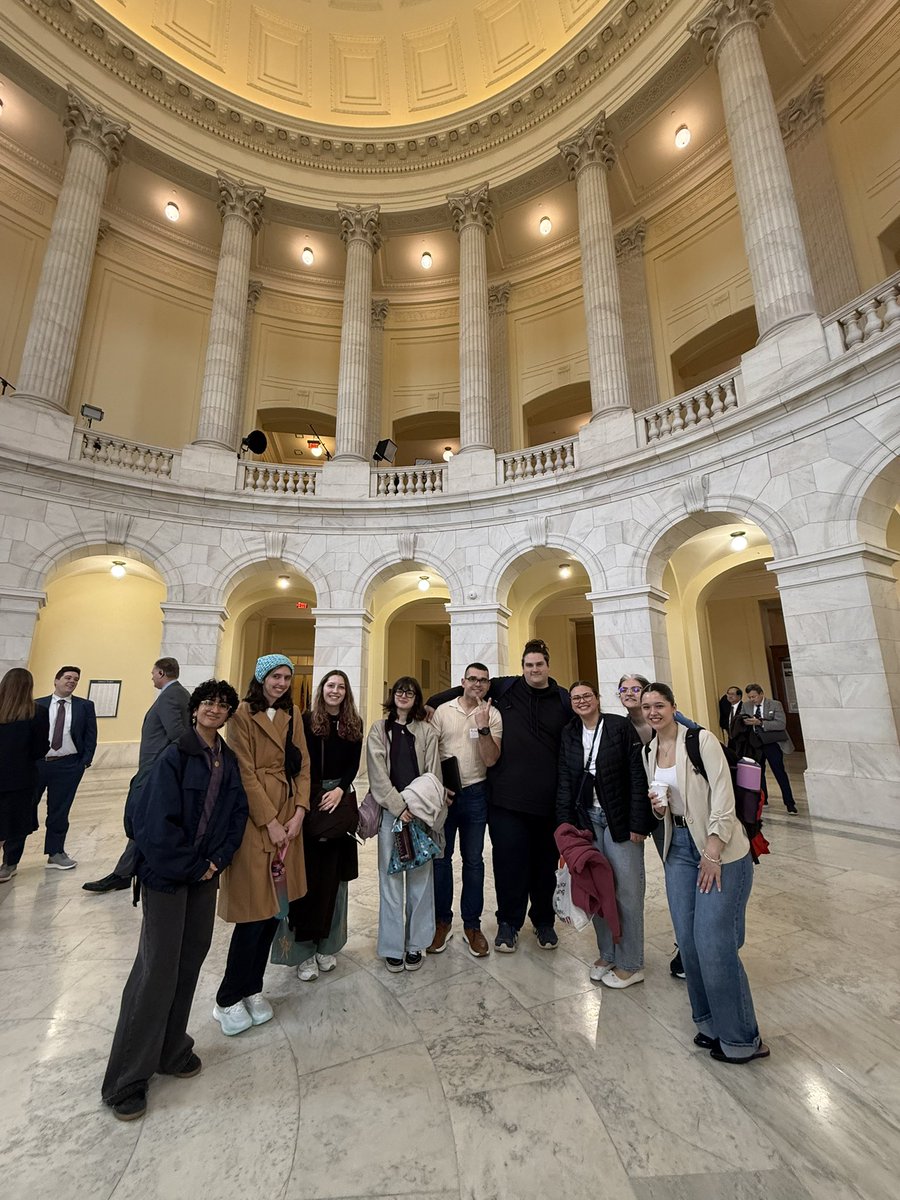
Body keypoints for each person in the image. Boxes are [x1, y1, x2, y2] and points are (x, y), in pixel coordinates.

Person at [101, 681, 248, 1121]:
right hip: (169, 877)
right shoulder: (174, 755)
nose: (214, 710)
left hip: (204, 875)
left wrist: (216, 860)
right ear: (195, 709)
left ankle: (171, 1048)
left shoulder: (227, 758)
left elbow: (236, 813)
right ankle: (127, 1077)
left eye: (222, 706)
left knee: (189, 960)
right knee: (156, 969)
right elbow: (152, 822)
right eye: (208, 703)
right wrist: (192, 865)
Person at [641, 682, 769, 1064]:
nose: (652, 712)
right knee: (689, 941)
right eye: (647, 706)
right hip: (676, 849)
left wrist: (713, 849)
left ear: (673, 706)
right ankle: (709, 1022)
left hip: (719, 849)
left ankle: (742, 1039)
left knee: (714, 944)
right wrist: (660, 810)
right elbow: (665, 805)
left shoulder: (700, 740)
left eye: (659, 705)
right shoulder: (649, 750)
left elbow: (724, 797)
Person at [430, 638, 571, 953]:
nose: (534, 669)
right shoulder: (508, 688)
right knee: (508, 864)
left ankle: (544, 922)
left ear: (548, 666)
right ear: (522, 668)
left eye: (539, 664)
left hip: (546, 800)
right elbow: (470, 688)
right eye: (529, 665)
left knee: (544, 864)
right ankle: (508, 923)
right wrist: (431, 702)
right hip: (506, 799)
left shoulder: (562, 699)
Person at [213, 654, 310, 1035]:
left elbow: (303, 766)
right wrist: (269, 821)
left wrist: (300, 811)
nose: (282, 682)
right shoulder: (240, 715)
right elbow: (244, 772)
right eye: (275, 676)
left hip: (289, 817)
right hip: (258, 822)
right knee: (253, 912)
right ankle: (227, 998)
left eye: (287, 676)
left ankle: (253, 988)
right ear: (261, 678)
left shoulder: (294, 714)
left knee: (275, 910)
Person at [557, 681, 654, 987]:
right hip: (587, 819)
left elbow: (637, 776)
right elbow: (564, 781)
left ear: (597, 699)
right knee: (597, 888)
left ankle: (631, 962)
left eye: (587, 696)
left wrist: (640, 822)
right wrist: (564, 828)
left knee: (626, 890)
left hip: (619, 819)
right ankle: (608, 952)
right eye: (576, 698)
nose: (582, 701)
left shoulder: (618, 727)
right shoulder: (570, 733)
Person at [83, 657, 191, 893]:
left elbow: (177, 734)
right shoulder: (178, 694)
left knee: (141, 819)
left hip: (156, 770)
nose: (151, 676)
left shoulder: (171, 695)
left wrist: (162, 767)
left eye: (153, 672)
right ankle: (126, 870)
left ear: (162, 673)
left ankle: (125, 872)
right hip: (157, 769)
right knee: (144, 820)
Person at [366, 676, 442, 972]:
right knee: (391, 881)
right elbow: (377, 774)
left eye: (410, 692)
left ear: (417, 698)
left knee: (421, 884)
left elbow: (433, 775)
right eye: (400, 691)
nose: (404, 695)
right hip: (391, 815)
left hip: (420, 816)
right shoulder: (379, 729)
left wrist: (420, 808)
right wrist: (399, 807)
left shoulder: (426, 731)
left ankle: (415, 945)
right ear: (392, 695)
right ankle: (392, 947)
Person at [291, 670, 363, 981]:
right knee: (308, 878)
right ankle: (303, 951)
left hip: (339, 800)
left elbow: (353, 764)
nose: (335, 691)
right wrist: (319, 794)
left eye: (341, 687)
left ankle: (327, 945)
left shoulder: (353, 725)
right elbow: (301, 764)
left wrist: (340, 790)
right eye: (331, 686)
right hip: (312, 799)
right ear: (322, 690)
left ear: (347, 693)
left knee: (335, 877)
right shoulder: (306, 721)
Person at [427, 662, 502, 958]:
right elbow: (429, 753)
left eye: (483, 681)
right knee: (441, 860)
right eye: (473, 679)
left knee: (473, 862)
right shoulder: (443, 711)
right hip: (444, 795)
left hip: (476, 794)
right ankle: (441, 922)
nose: (478, 684)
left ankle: (472, 925)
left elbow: (492, 759)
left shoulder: (493, 714)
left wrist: (483, 726)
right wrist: (437, 787)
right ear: (463, 681)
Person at [1, 665, 97, 874]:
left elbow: (90, 736)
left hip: (68, 765)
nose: (71, 681)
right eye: (67, 677)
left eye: (75, 679)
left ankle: (55, 852)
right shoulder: (37, 706)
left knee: (59, 811)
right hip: (37, 765)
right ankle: (10, 860)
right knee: (23, 811)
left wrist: (84, 762)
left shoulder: (85, 706)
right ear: (56, 680)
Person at [0, 669, 51, 881]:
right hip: (21, 778)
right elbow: (39, 749)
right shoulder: (36, 712)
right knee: (16, 824)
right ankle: (9, 864)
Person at [741, 683, 798, 813]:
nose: (752, 699)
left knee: (779, 772)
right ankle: (763, 799)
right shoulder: (746, 706)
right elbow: (741, 719)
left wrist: (761, 723)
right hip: (756, 743)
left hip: (772, 743)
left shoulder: (775, 704)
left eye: (754, 696)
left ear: (761, 694)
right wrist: (746, 722)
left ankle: (789, 803)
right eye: (749, 697)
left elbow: (781, 723)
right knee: (758, 773)